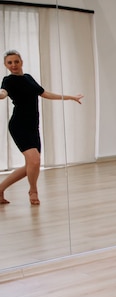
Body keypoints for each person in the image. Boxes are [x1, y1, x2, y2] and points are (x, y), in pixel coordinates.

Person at [0, 49, 83, 205]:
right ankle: (33, 191)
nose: (13, 65)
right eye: (9, 63)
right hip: (19, 125)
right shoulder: (8, 80)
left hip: (33, 125)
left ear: (21, 62)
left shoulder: (28, 78)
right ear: (5, 65)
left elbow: (44, 93)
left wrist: (70, 97)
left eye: (16, 61)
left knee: (32, 164)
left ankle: (0, 189)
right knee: (35, 161)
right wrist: (0, 94)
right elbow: (3, 93)